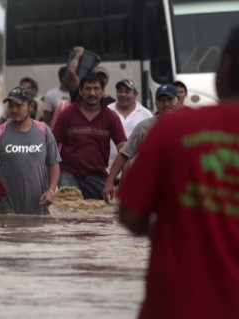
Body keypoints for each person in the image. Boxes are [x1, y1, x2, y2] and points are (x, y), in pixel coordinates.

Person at [116, 25, 239, 319]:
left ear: (224, 69)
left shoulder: (173, 128)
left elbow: (130, 214)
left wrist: (178, 222)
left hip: (176, 306)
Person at [0, 86, 61, 215]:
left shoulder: (44, 131)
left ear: (31, 106)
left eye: (19, 105)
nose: (13, 110)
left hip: (38, 206)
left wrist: (51, 191)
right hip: (7, 208)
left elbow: (54, 164)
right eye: (10, 105)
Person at [52, 72, 127, 199]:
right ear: (80, 92)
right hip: (68, 173)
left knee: (107, 206)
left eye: (97, 89)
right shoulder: (67, 114)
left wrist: (118, 179)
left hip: (97, 174)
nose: (92, 93)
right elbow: (52, 145)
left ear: (103, 92)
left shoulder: (111, 117)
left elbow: (124, 149)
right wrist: (50, 184)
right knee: (68, 208)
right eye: (88, 89)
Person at [103, 83, 180, 203]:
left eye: (170, 99)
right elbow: (124, 154)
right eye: (162, 100)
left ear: (178, 101)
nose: (166, 104)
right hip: (151, 185)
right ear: (156, 104)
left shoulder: (189, 125)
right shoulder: (144, 127)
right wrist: (109, 183)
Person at [107, 79, 152, 172]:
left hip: (136, 169)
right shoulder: (107, 111)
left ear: (135, 94)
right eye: (120, 91)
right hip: (108, 169)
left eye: (127, 92)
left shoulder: (145, 114)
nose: (123, 94)